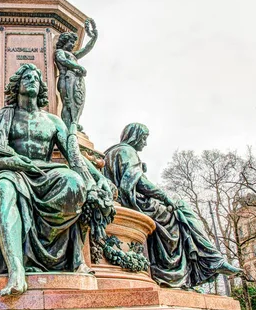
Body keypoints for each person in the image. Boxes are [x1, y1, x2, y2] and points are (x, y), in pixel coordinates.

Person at [0, 63, 113, 296]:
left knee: (74, 182)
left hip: (44, 173)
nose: (32, 79)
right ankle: (16, 271)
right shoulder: (1, 117)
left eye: (36, 76)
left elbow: (75, 158)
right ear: (16, 85)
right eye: (26, 76)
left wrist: (98, 178)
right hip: (10, 171)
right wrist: (15, 163)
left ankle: (57, 254)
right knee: (3, 188)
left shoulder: (54, 122)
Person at [104, 123, 242, 289]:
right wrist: (164, 197)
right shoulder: (126, 151)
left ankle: (212, 259)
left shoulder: (113, 152)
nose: (145, 143)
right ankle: (205, 261)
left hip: (125, 201)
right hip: (134, 203)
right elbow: (138, 183)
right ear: (135, 136)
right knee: (178, 214)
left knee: (182, 211)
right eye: (144, 139)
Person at [55, 19, 98, 131]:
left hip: (74, 80)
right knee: (68, 102)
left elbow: (86, 49)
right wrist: (78, 67)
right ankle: (66, 126)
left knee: (76, 102)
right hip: (66, 78)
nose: (73, 45)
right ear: (64, 42)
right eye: (71, 42)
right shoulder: (60, 52)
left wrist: (93, 38)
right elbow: (63, 61)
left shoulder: (73, 55)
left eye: (74, 42)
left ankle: (74, 121)